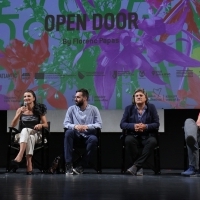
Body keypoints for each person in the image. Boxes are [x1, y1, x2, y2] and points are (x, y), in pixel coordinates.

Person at [120, 88, 160, 176]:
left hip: (147, 136)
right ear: (134, 98)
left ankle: (136, 166)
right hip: (133, 136)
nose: (138, 97)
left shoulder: (151, 108)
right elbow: (122, 124)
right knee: (128, 140)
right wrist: (134, 126)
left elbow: (156, 124)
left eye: (141, 95)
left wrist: (145, 126)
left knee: (153, 141)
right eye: (136, 96)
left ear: (145, 98)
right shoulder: (129, 109)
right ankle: (138, 167)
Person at [63, 88, 102, 175]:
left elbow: (99, 124)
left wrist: (86, 127)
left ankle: (81, 165)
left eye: (78, 97)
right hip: (76, 136)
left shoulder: (94, 109)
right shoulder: (71, 109)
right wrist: (75, 126)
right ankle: (68, 165)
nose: (75, 99)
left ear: (85, 98)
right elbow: (66, 123)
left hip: (88, 136)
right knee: (68, 132)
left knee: (94, 139)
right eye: (75, 97)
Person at [10, 89, 48, 175]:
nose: (26, 98)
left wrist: (41, 125)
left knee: (28, 132)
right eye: (24, 96)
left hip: (37, 134)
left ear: (34, 98)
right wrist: (18, 114)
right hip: (22, 136)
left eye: (28, 96)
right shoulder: (20, 110)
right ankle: (29, 164)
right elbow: (12, 125)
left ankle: (20, 155)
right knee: (27, 133)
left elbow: (46, 124)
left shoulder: (39, 109)